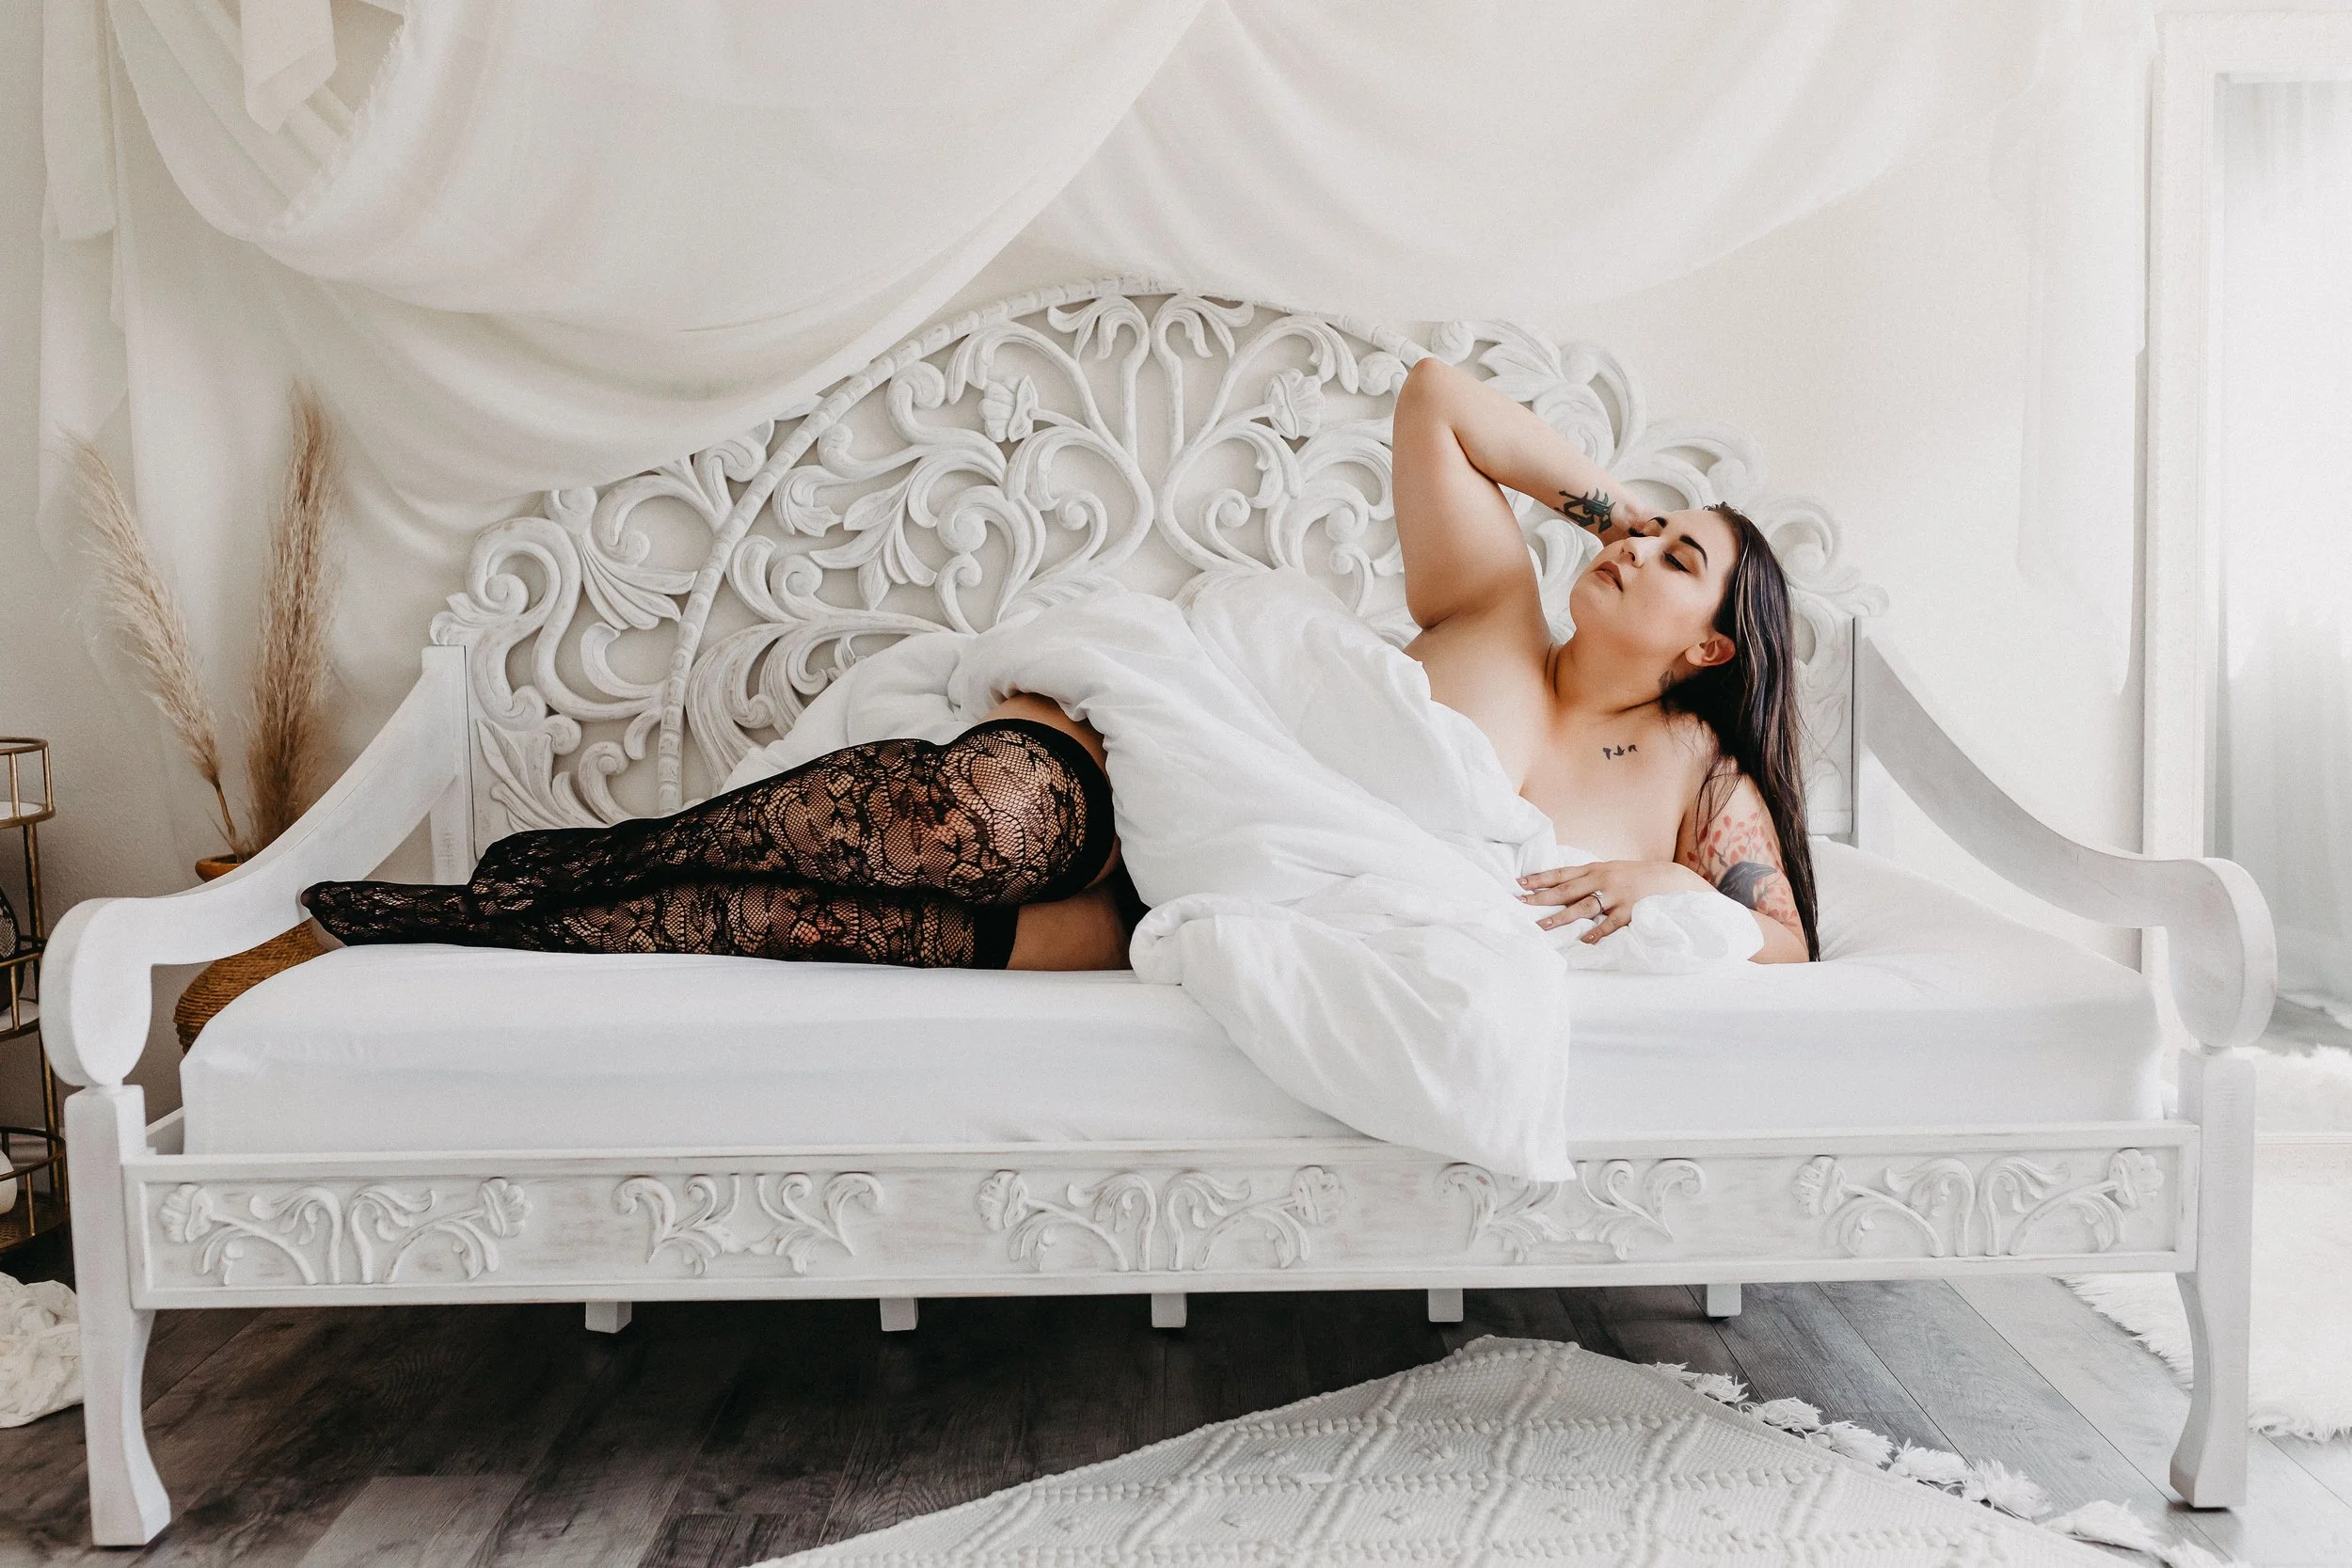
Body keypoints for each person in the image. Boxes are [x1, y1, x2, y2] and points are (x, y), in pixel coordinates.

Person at [304, 353, 1816, 969]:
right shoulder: (1495, 602)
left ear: (1707, 651)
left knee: (844, 925)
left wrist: (1669, 885)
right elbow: (1438, 397)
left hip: (1199, 892)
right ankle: (561, 864)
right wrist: (1616, 513)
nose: (1629, 548)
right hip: (1147, 757)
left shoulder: (1699, 780)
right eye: (1641, 527)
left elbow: (1791, 948)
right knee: (963, 832)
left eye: (1677, 559)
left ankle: (483, 928)